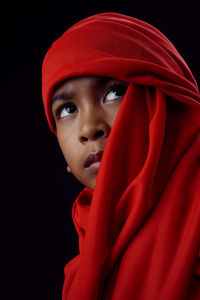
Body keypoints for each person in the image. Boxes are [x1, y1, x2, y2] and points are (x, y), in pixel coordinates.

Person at [42, 12, 200, 300]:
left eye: (114, 92)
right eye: (66, 110)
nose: (89, 128)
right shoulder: (79, 278)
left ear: (169, 102)